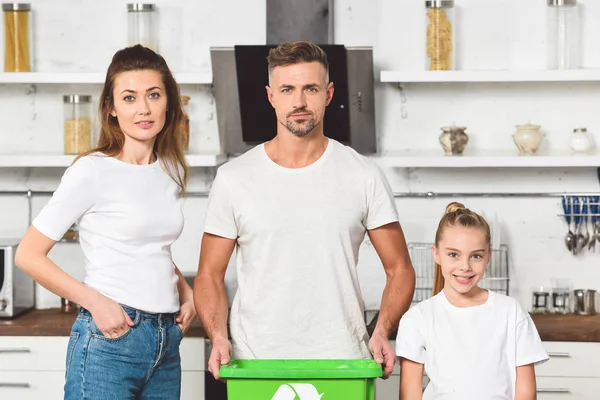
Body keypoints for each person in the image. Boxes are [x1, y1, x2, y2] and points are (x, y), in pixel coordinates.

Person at [194, 41, 416, 380]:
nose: (298, 102)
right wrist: (218, 335)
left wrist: (382, 329)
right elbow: (209, 273)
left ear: (328, 94)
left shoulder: (363, 175)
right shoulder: (233, 179)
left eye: (310, 88)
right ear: (271, 96)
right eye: (287, 89)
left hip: (343, 361)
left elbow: (399, 268)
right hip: (256, 363)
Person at [14, 45, 196, 399]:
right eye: (129, 97)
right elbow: (28, 255)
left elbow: (149, 246)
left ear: (169, 103)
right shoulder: (92, 170)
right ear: (111, 108)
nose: (143, 108)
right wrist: (96, 303)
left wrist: (185, 291)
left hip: (166, 340)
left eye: (153, 95)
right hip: (111, 341)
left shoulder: (170, 169)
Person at [396, 202, 548, 400]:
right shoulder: (417, 319)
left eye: (476, 256)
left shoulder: (511, 312)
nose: (465, 266)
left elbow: (526, 393)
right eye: (453, 255)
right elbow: (410, 395)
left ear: (488, 257)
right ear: (436, 254)